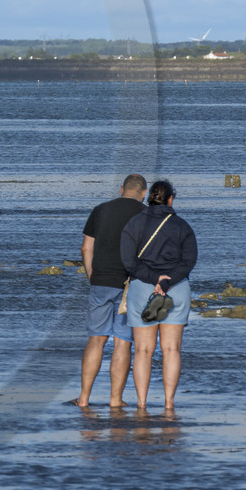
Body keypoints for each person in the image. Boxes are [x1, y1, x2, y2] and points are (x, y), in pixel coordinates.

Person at [119, 179, 197, 412]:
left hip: (143, 287)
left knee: (143, 350)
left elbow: (128, 261)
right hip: (176, 287)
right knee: (172, 349)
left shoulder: (133, 224)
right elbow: (189, 261)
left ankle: (141, 404)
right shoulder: (182, 226)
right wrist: (167, 279)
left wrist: (154, 278)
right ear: (171, 199)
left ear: (149, 196)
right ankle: (169, 403)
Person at [78, 173, 148, 408]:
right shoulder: (145, 214)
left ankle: (84, 399)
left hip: (101, 280)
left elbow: (86, 248)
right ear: (144, 193)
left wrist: (92, 276)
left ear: (121, 189)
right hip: (131, 285)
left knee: (96, 340)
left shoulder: (101, 210)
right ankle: (115, 400)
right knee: (122, 343)